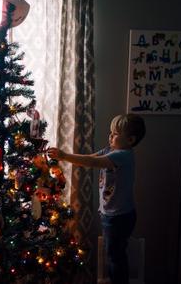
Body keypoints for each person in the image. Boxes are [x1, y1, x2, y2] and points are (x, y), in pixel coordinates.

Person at [48, 114, 146, 284]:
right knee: (115, 254)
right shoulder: (111, 150)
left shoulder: (123, 155)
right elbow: (92, 158)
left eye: (115, 134)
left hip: (119, 217)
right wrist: (65, 156)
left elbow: (92, 163)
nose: (110, 136)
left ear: (130, 140)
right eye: (111, 132)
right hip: (112, 214)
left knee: (115, 257)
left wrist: (64, 156)